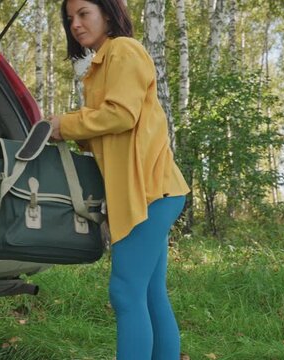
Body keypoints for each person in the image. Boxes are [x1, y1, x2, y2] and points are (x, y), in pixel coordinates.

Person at [47, 0, 191, 359]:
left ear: (108, 14)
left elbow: (121, 115)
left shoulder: (123, 50)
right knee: (149, 293)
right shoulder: (102, 62)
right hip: (152, 191)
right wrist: (70, 131)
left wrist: (65, 125)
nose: (75, 25)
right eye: (70, 19)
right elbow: (112, 131)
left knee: (126, 293)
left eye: (84, 14)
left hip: (150, 191)